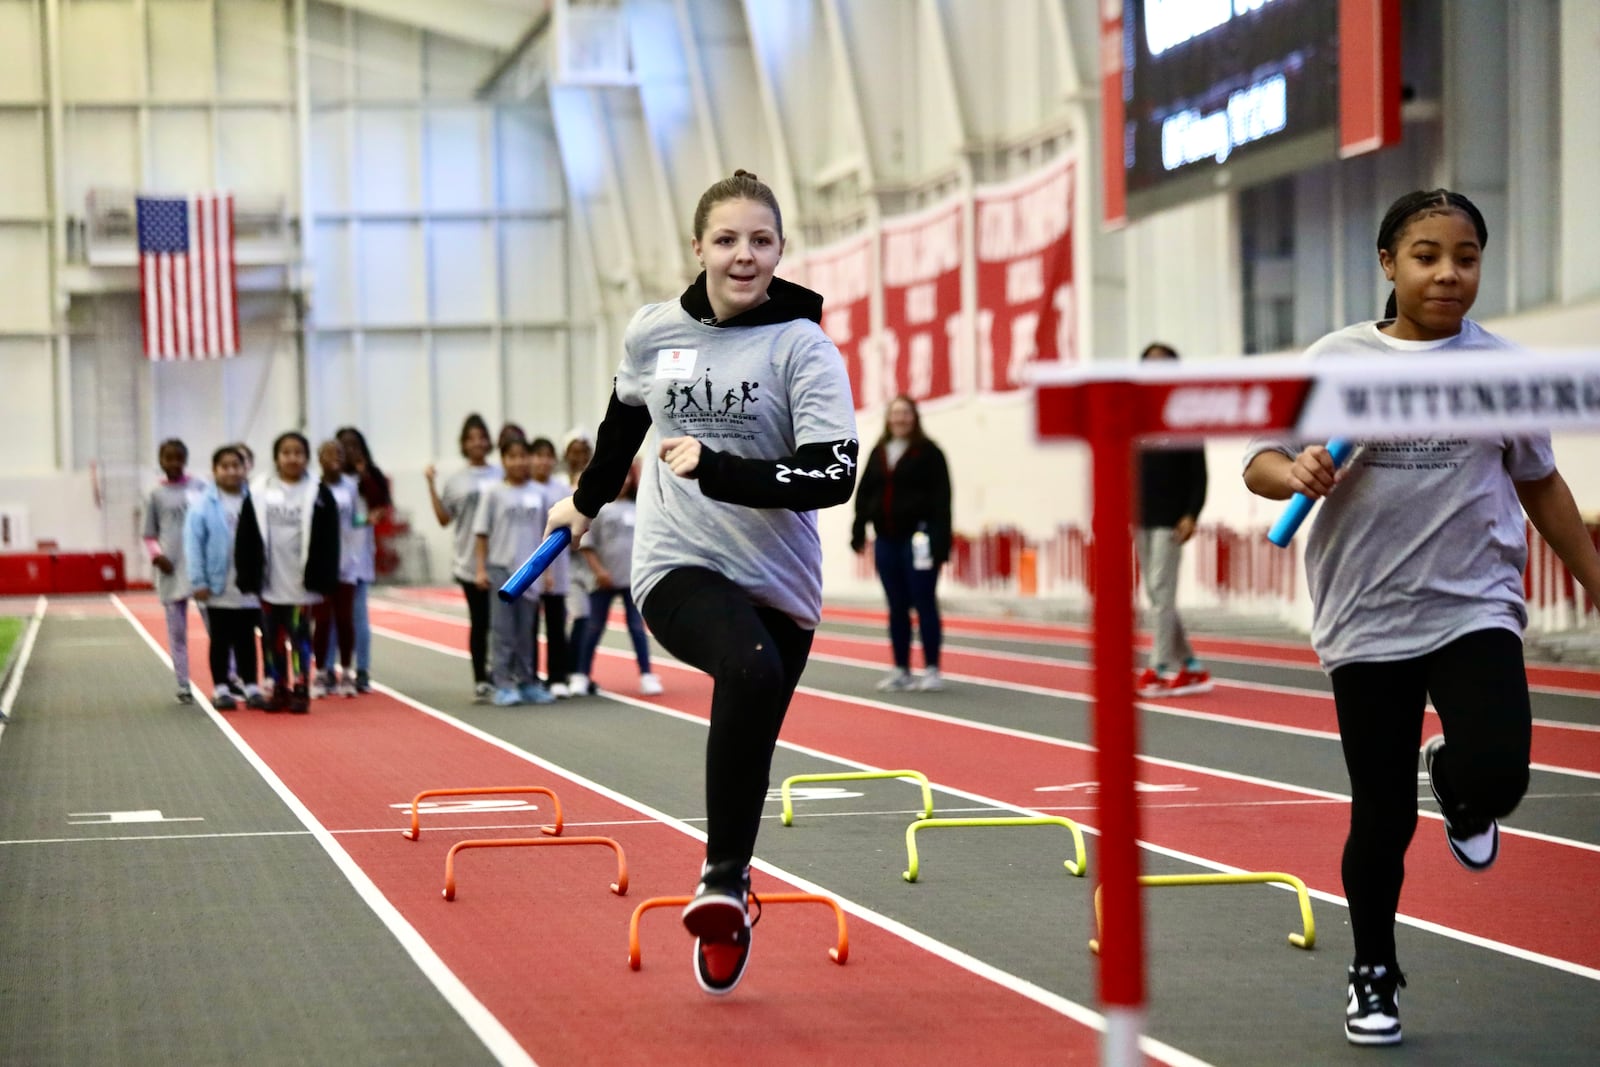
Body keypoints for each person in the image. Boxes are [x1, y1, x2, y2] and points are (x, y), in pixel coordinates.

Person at [1242, 189, 1600, 1047]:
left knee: (1504, 769)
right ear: (1388, 264)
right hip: (1367, 611)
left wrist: (1595, 578)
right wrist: (1292, 473)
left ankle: (1463, 786)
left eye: (1466, 256)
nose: (1448, 272)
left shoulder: (1500, 369)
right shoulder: (1340, 358)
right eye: (1427, 255)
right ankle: (1373, 969)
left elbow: (1540, 482)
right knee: (1380, 814)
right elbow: (1257, 462)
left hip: (1475, 601)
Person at [546, 169, 858, 996]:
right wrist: (578, 504)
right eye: (727, 239)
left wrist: (722, 467)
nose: (743, 255)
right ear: (698, 248)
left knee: (752, 727)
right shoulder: (654, 333)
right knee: (747, 670)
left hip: (782, 584)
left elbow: (834, 474)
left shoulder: (803, 348)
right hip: (676, 565)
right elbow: (622, 427)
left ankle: (735, 887)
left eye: (760, 240)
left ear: (781, 249)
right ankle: (721, 878)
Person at [850, 395, 952, 692]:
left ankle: (932, 669)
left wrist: (940, 544)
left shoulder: (930, 453)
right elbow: (865, 492)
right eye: (895, 413)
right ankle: (901, 669)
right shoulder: (879, 452)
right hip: (886, 539)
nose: (900, 419)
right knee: (896, 606)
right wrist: (858, 528)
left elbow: (942, 500)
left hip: (919, 540)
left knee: (923, 602)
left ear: (915, 417)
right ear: (888, 418)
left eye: (906, 413)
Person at [237, 431, 340, 713]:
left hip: (301, 581)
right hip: (269, 579)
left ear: (307, 458)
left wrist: (326, 577)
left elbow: (331, 539)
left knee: (299, 637)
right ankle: (279, 687)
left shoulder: (318, 492)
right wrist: (247, 574)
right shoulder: (259, 491)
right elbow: (246, 535)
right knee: (271, 638)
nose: (292, 458)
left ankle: (301, 689)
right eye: (286, 452)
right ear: (277, 457)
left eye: (298, 453)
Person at [1133, 343, 1211, 698]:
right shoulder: (1139, 414)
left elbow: (1199, 472)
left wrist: (1192, 514)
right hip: (1141, 519)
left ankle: (1162, 666)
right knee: (1156, 594)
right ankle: (1192, 666)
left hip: (1171, 519)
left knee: (1162, 595)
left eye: (1162, 364)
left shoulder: (1185, 412)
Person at [473, 436, 556, 707]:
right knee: (502, 631)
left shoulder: (538, 494)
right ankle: (503, 684)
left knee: (526, 632)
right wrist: (480, 569)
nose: (519, 461)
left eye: (523, 456)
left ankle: (527, 682)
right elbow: (482, 534)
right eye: (512, 456)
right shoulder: (493, 493)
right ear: (503, 460)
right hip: (501, 570)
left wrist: (547, 572)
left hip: (530, 571)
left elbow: (548, 536)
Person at [426, 414, 502, 703]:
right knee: (480, 621)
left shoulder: (499, 475)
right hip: (469, 561)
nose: (478, 443)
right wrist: (431, 486)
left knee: (501, 623)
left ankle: (500, 672)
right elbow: (445, 519)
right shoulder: (456, 481)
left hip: (501, 557)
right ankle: (481, 678)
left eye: (482, 437)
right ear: (463, 444)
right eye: (471, 438)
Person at [184, 445, 265, 710]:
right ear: (215, 470)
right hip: (217, 584)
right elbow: (193, 546)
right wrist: (199, 581)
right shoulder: (202, 506)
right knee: (220, 638)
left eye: (236, 465)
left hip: (248, 583)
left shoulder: (255, 500)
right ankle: (220, 688)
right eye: (225, 466)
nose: (231, 471)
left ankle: (251, 685)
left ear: (245, 469)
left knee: (247, 638)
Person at [576, 460, 661, 695]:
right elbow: (587, 545)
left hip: (632, 580)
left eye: (627, 477)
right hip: (604, 579)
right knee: (594, 627)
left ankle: (646, 674)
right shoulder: (600, 508)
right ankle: (581, 675)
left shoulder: (639, 507)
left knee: (636, 627)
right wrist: (599, 571)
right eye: (618, 476)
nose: (623, 482)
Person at [143, 439, 205, 703]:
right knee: (177, 632)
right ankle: (183, 684)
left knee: (217, 628)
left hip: (200, 568)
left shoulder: (200, 487)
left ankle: (230, 678)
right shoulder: (155, 494)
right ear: (161, 461)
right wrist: (158, 557)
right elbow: (148, 535)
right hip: (170, 569)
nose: (174, 463)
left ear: (185, 459)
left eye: (179, 458)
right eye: (169, 458)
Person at [335, 426, 391, 692]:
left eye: (354, 445)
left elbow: (380, 508)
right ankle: (330, 669)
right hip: (335, 557)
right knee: (333, 618)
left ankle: (362, 670)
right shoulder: (329, 480)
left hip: (361, 555)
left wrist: (364, 474)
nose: (350, 451)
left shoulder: (371, 477)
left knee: (359, 616)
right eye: (344, 446)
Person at [312, 439, 359, 698]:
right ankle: (320, 672)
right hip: (322, 565)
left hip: (347, 564)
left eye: (339, 453)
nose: (334, 457)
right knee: (322, 620)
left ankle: (347, 672)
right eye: (328, 453)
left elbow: (356, 519)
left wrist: (368, 520)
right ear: (319, 459)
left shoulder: (351, 487)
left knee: (344, 620)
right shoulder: (313, 489)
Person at [528, 437, 573, 698]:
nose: (543, 461)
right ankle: (530, 674)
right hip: (531, 571)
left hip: (558, 568)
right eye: (538, 455)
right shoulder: (526, 489)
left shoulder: (562, 490)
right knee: (530, 627)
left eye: (548, 456)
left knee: (556, 625)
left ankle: (558, 676)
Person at [560, 428, 599, 695]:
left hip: (593, 560)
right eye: (574, 452)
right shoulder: (561, 484)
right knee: (579, 616)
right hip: (568, 560)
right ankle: (569, 671)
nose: (580, 457)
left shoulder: (597, 480)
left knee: (590, 619)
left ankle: (580, 671)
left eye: (584, 452)